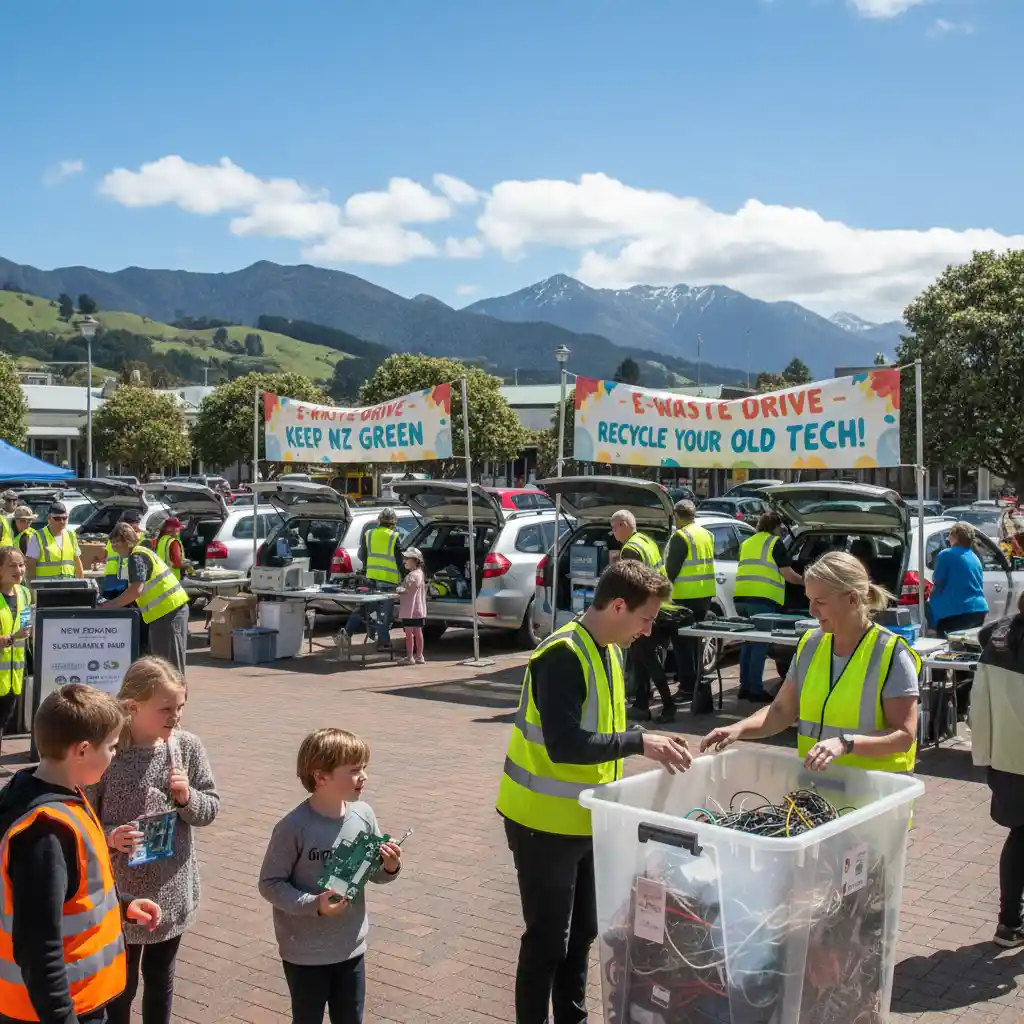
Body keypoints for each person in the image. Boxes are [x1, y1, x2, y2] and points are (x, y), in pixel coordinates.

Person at [496, 559, 693, 1024]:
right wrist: (642, 740)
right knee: (547, 941)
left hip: (589, 820)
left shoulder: (609, 650)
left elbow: (604, 731)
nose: (647, 631)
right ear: (619, 606)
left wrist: (643, 741)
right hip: (541, 822)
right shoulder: (561, 655)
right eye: (645, 619)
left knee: (583, 931)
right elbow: (566, 746)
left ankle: (573, 1016)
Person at [0, 684, 162, 1024]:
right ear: (83, 750)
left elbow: (72, 894)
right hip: (56, 1011)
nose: (115, 755)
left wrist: (123, 906)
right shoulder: (46, 833)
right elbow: (38, 948)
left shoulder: (46, 794)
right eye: (112, 747)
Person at [701, 551, 920, 775]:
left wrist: (846, 744)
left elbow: (904, 735)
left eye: (820, 602)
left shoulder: (891, 653)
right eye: (810, 600)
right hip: (819, 790)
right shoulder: (810, 644)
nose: (812, 611)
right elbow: (781, 711)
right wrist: (739, 728)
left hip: (877, 795)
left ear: (853, 599)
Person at [89, 657, 219, 1024]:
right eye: (165, 708)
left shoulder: (188, 748)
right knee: (120, 986)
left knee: (161, 978)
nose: (175, 716)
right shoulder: (110, 752)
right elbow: (82, 818)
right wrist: (112, 835)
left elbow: (210, 808)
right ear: (133, 707)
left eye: (180, 707)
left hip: (171, 890)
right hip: (120, 896)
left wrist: (187, 799)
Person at [258, 728, 402, 1024]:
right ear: (321, 777)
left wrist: (389, 867)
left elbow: (371, 873)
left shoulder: (364, 815)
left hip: (351, 947)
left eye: (364, 768)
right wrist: (315, 904)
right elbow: (270, 884)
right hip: (304, 953)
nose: (363, 776)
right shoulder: (294, 827)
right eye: (354, 770)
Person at [970, 593, 1024, 945]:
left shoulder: (997, 637)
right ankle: (1009, 922)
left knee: (1019, 835)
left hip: (1005, 757)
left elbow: (976, 707)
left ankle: (1009, 922)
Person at [611, 509, 677, 722]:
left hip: (645, 611)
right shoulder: (645, 541)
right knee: (641, 658)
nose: (612, 532)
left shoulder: (630, 549)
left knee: (646, 658)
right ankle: (641, 704)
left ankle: (668, 705)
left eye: (614, 527)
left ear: (624, 525)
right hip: (658, 606)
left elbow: (633, 585)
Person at [733, 511, 804, 702]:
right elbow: (787, 573)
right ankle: (755, 690)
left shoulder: (748, 542)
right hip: (761, 599)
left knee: (748, 643)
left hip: (741, 598)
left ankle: (745, 687)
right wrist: (807, 582)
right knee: (759, 645)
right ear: (775, 526)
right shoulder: (774, 543)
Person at [103, 523, 191, 673]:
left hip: (168, 613)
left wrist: (109, 605)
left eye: (115, 543)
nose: (114, 548)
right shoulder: (140, 552)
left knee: (169, 667)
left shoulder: (136, 557)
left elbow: (135, 591)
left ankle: (175, 696)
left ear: (126, 541)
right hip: (167, 612)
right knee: (165, 665)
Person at [665, 500, 716, 698]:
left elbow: (671, 571)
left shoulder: (680, 536)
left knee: (682, 645)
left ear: (677, 516)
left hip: (683, 598)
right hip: (704, 595)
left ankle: (687, 687)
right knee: (696, 643)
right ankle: (697, 682)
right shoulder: (706, 534)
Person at [928, 521, 989, 637]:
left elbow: (938, 580)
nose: (947, 538)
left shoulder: (946, 555)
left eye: (950, 534)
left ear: (956, 538)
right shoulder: (974, 557)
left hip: (955, 612)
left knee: (950, 650)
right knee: (968, 648)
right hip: (978, 610)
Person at [0, 547, 31, 765]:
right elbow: (16, 634)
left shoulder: (24, 593)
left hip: (12, 677)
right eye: (12, 565)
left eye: (21, 564)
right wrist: (11, 637)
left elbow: (25, 627)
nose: (18, 570)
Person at [360, 508, 403, 650]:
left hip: (371, 578)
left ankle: (376, 636)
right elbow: (400, 560)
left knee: (374, 610)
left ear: (379, 520)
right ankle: (383, 642)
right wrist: (405, 576)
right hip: (388, 579)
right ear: (393, 522)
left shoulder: (369, 534)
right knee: (385, 613)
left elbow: (363, 556)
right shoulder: (394, 536)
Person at [25, 501, 84, 581]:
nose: (62, 521)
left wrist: (81, 585)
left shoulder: (71, 535)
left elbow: (77, 562)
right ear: (49, 519)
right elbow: (30, 567)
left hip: (68, 586)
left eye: (64, 518)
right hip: (45, 588)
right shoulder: (37, 537)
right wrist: (32, 590)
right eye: (57, 518)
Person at [104, 510, 146, 598]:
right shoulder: (139, 537)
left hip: (112, 577)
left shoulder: (114, 535)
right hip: (125, 578)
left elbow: (105, 555)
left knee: (111, 604)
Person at [396, 547, 426, 665]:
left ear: (415, 560)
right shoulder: (420, 573)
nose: (405, 561)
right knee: (418, 632)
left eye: (407, 559)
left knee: (409, 634)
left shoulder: (412, 576)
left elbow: (409, 591)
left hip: (410, 610)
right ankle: (420, 656)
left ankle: (409, 657)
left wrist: (399, 590)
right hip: (419, 610)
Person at [152, 517, 186, 581]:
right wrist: (187, 565)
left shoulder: (159, 540)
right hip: (172, 579)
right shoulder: (173, 542)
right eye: (178, 528)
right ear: (171, 529)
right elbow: (177, 564)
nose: (179, 530)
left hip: (160, 577)